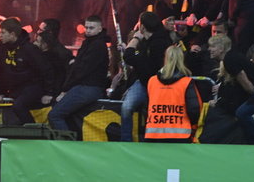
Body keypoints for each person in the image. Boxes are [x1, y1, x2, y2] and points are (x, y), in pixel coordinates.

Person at [48, 15, 110, 131]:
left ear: (100, 29)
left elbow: (82, 70)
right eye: (86, 27)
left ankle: (67, 145)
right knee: (62, 114)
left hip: (88, 87)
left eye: (91, 28)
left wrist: (65, 89)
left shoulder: (96, 45)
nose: (88, 30)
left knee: (54, 115)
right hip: (86, 87)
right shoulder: (90, 43)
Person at [120, 11, 172, 141]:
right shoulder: (151, 41)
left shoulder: (159, 43)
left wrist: (135, 39)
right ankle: (126, 141)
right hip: (143, 82)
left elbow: (129, 56)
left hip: (158, 85)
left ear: (142, 27)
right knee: (126, 107)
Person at [0, 17, 50, 124]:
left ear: (12, 34)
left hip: (32, 86)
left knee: (19, 106)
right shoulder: (1, 47)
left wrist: (48, 92)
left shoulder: (29, 49)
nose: (0, 36)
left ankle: (34, 133)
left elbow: (45, 70)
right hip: (14, 88)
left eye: (3, 33)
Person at [144, 44, 202, 142]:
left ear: (165, 59)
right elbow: (195, 110)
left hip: (153, 134)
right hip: (180, 135)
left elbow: (147, 107)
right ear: (182, 60)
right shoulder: (186, 82)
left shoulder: (152, 81)